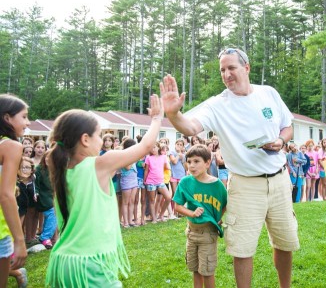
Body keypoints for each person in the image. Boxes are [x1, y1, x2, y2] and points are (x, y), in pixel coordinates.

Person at [160, 48, 299, 288]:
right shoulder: (217, 105)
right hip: (245, 185)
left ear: (247, 68)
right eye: (222, 70)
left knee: (284, 243)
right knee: (242, 249)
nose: (226, 74)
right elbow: (190, 127)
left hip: (279, 179)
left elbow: (288, 126)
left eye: (231, 68)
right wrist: (173, 115)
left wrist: (281, 141)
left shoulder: (269, 93)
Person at [45, 95, 163, 287]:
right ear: (85, 139)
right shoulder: (99, 164)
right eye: (99, 135)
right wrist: (157, 119)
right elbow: (145, 146)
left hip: (62, 261)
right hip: (90, 264)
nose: (101, 141)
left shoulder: (60, 171)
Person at [173, 144, 227, 288]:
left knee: (207, 271)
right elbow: (177, 206)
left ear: (208, 163)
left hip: (208, 234)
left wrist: (218, 218)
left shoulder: (217, 185)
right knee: (195, 269)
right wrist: (191, 213)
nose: (191, 165)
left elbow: (226, 204)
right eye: (189, 162)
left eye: (196, 161)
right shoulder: (185, 182)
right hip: (191, 233)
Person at [0, 94, 29, 287]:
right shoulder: (11, 146)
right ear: (7, 118)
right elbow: (5, 194)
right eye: (24, 116)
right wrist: (19, 241)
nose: (27, 123)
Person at [34, 153, 57, 249]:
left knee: (50, 216)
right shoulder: (39, 169)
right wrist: (36, 192)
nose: (48, 160)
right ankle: (45, 237)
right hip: (43, 196)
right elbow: (36, 183)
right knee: (52, 213)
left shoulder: (55, 169)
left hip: (53, 195)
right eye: (47, 157)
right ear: (44, 158)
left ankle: (46, 235)